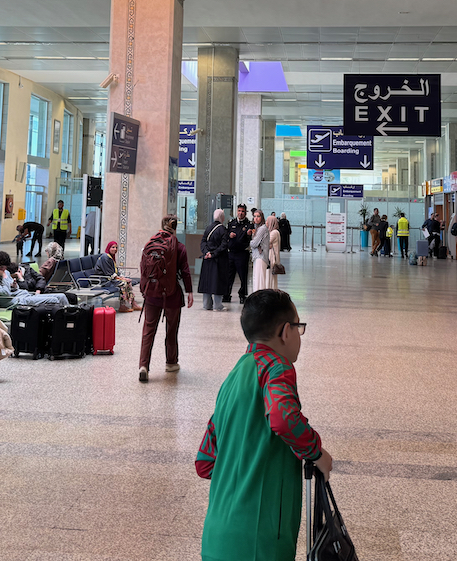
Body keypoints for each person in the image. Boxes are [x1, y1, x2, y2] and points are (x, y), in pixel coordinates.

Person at [196, 290, 333, 561]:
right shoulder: (276, 367)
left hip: (216, 537)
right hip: (260, 541)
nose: (299, 335)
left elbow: (205, 463)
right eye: (298, 327)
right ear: (285, 331)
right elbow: (282, 417)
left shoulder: (232, 379)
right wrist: (317, 453)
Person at [138, 215, 194, 383]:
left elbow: (143, 268)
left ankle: (143, 366)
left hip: (151, 294)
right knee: (171, 330)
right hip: (171, 295)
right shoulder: (179, 247)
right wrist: (190, 291)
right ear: (175, 228)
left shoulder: (150, 244)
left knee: (148, 331)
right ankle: (171, 363)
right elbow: (185, 271)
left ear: (161, 226)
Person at [199, 209, 229, 311]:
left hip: (207, 259)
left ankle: (207, 304)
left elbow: (203, 242)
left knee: (207, 281)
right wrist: (213, 254)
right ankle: (218, 305)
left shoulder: (208, 228)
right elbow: (223, 245)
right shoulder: (223, 230)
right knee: (217, 281)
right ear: (222, 217)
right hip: (218, 260)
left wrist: (206, 252)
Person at [225, 205, 251, 305]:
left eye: (242, 211)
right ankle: (226, 294)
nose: (240, 213)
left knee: (243, 275)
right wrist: (229, 235)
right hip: (231, 253)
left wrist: (249, 234)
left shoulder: (248, 224)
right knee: (229, 275)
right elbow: (226, 235)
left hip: (242, 253)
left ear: (245, 213)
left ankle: (242, 295)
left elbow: (250, 238)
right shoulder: (231, 223)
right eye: (239, 211)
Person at [250, 210, 272, 293]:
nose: (256, 218)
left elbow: (254, 243)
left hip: (260, 257)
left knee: (259, 280)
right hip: (258, 256)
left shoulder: (262, 229)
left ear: (262, 217)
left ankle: (259, 297)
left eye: (258, 216)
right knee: (257, 279)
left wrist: (250, 242)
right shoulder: (258, 228)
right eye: (254, 216)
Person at [266, 213, 282, 291]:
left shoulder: (274, 232)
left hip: (272, 257)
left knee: (270, 275)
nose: (266, 223)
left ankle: (270, 290)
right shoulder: (274, 232)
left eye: (267, 221)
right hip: (272, 256)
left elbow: (266, 242)